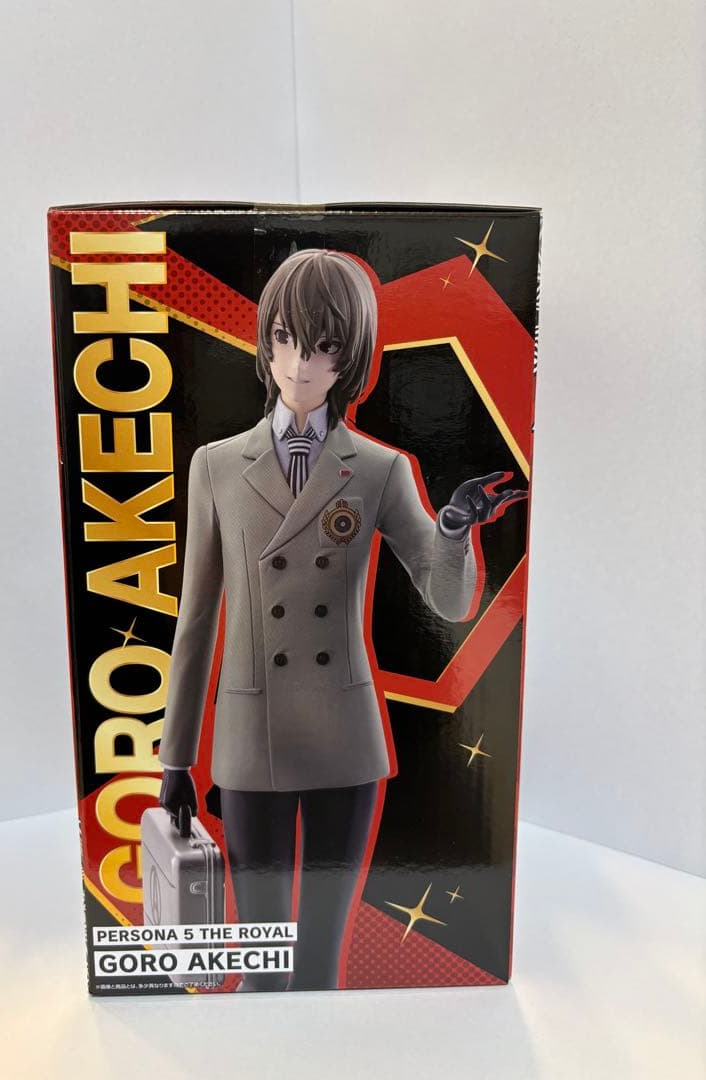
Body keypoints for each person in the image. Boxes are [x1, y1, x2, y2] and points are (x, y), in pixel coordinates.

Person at [157, 248, 524, 991]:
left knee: (322, 959)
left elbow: (447, 600)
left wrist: (455, 529)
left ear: (349, 357)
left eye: (324, 345)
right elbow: (195, 620)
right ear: (265, 342)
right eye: (285, 338)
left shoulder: (381, 469)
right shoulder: (216, 465)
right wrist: (175, 759)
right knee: (263, 957)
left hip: (345, 738)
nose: (300, 364)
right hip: (251, 738)